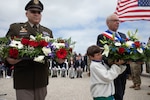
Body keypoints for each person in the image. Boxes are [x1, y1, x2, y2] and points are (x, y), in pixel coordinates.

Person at [5, 0, 53, 100]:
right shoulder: (16, 28)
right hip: (24, 78)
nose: (36, 14)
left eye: (38, 12)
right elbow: (4, 49)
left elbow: (52, 52)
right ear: (27, 14)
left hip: (41, 79)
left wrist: (59, 59)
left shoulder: (47, 32)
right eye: (33, 12)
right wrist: (8, 60)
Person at [96, 13, 131, 100]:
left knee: (122, 91)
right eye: (115, 21)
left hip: (123, 69)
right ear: (108, 23)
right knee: (116, 93)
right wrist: (112, 61)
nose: (118, 22)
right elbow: (101, 53)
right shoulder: (102, 36)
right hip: (111, 69)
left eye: (118, 21)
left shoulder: (123, 36)